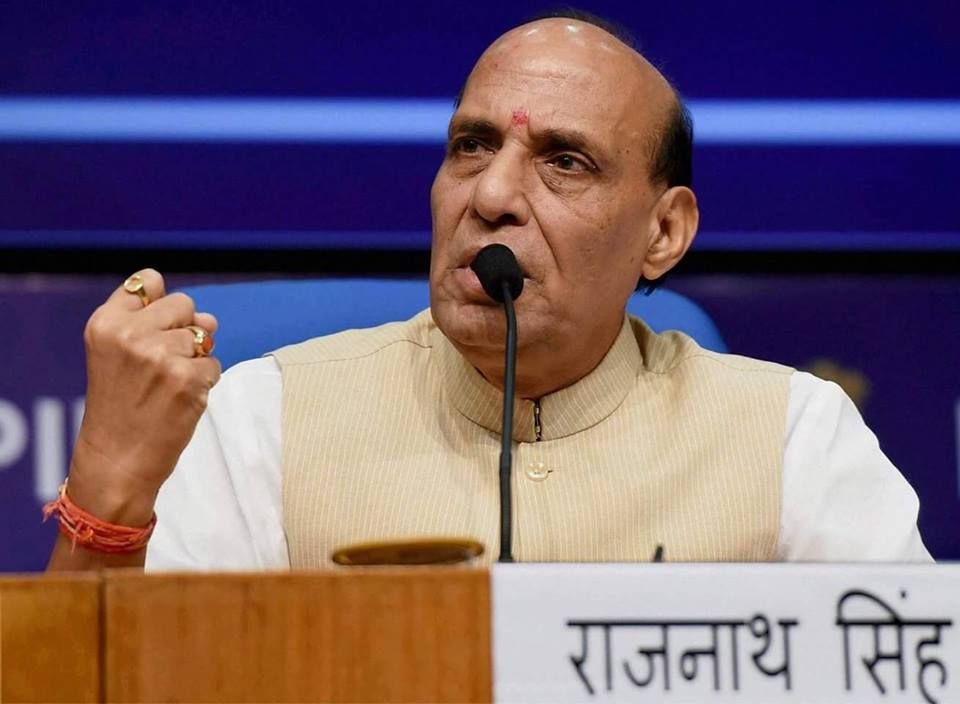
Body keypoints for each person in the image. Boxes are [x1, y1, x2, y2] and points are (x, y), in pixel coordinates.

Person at [46, 13, 931, 572]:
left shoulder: (793, 439)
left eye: (565, 162)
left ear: (664, 233)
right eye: (471, 146)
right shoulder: (264, 420)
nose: (493, 194)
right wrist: (105, 496)